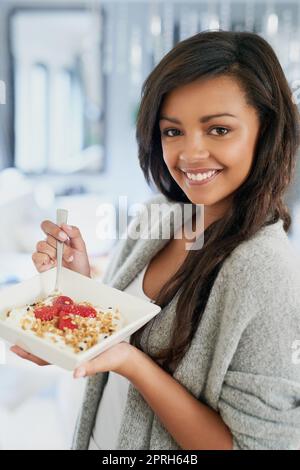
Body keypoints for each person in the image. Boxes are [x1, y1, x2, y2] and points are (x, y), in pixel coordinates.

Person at [12, 30, 300, 450]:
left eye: (218, 130)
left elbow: (259, 446)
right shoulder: (159, 216)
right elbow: (112, 328)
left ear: (267, 131)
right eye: (172, 132)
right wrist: (78, 290)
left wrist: (134, 365)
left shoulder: (267, 272)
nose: (190, 154)